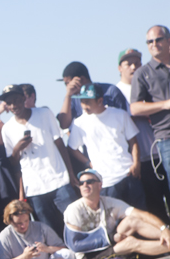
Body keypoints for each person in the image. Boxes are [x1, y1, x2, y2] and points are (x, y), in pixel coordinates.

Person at [0, 85, 78, 237]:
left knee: (75, 219)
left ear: (24, 98)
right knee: (49, 230)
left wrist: (71, 173)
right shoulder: (7, 128)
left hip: (59, 179)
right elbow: (13, 162)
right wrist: (17, 148)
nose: (14, 105)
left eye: (16, 100)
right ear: (7, 107)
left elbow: (60, 143)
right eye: (9, 103)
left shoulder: (44, 113)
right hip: (35, 188)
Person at [63, 169, 170, 259]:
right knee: (130, 242)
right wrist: (111, 238)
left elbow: (141, 215)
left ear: (100, 185)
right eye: (81, 183)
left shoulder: (109, 202)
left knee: (132, 220)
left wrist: (163, 229)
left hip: (109, 245)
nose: (85, 185)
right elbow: (75, 245)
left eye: (89, 181)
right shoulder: (73, 209)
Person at [66, 84, 146, 209]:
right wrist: (88, 162)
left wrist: (136, 163)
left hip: (128, 174)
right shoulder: (79, 123)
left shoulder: (120, 115)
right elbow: (72, 148)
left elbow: (133, 141)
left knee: (140, 215)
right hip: (105, 181)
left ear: (100, 100)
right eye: (82, 101)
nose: (84, 105)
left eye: (87, 101)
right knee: (116, 223)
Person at [115, 48, 168, 222]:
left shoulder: (150, 80)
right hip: (142, 158)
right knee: (154, 206)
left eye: (137, 62)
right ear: (119, 68)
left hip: (162, 148)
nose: (133, 67)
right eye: (128, 63)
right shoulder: (116, 93)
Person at [0, 200, 75, 259]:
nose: (23, 225)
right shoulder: (5, 235)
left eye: (26, 221)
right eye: (19, 223)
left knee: (68, 253)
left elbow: (63, 248)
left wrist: (47, 249)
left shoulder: (40, 227)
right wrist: (24, 257)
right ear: (10, 221)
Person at [131, 25, 170, 194]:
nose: (154, 44)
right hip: (167, 137)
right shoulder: (142, 73)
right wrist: (165, 104)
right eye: (149, 41)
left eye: (158, 39)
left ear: (168, 40)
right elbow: (135, 108)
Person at [56, 61, 129, 130]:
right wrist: (68, 95)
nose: (67, 87)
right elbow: (64, 125)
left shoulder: (110, 91)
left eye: (68, 83)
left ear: (80, 79)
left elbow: (125, 121)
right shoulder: (71, 98)